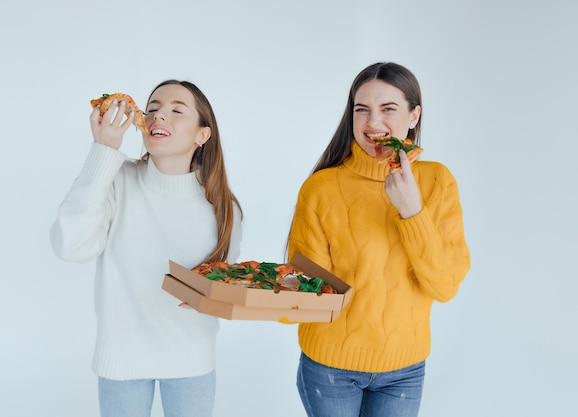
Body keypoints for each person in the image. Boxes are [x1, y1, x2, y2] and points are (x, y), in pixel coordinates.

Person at [287, 62, 470, 417]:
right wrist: (250, 299)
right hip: (330, 365)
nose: (373, 123)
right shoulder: (321, 188)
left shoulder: (437, 182)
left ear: (414, 115)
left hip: (404, 368)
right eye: (362, 110)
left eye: (388, 109)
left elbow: (445, 286)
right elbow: (309, 288)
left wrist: (412, 212)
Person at [50, 80, 242, 417]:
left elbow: (221, 287)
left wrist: (212, 294)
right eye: (151, 109)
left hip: (192, 360)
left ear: (202, 135)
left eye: (176, 110)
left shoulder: (224, 207)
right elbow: (70, 247)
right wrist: (103, 151)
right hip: (121, 360)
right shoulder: (114, 179)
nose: (158, 117)